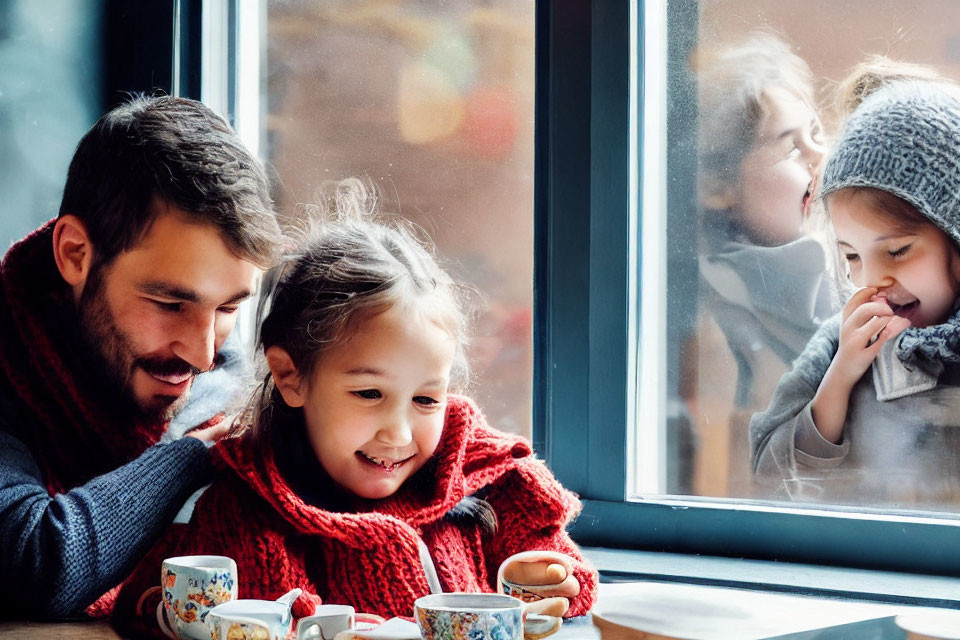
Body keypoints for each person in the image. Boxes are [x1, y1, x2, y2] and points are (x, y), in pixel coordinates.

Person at [112, 179, 597, 637]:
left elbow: (561, 569)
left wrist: (546, 579)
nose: (399, 433)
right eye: (369, 394)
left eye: (426, 399)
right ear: (290, 377)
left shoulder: (487, 478)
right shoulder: (249, 508)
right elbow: (149, 603)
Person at [0, 95, 282, 618]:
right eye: (170, 303)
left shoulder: (224, 374)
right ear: (75, 255)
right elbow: (35, 564)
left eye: (228, 308)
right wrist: (193, 455)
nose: (202, 355)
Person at [750, 65, 960, 507]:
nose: (871, 278)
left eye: (898, 250)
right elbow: (769, 474)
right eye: (851, 256)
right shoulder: (840, 343)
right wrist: (841, 377)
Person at [690, 33, 838, 496]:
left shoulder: (847, 275)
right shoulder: (712, 323)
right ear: (716, 185)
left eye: (817, 135)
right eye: (790, 147)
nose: (820, 157)